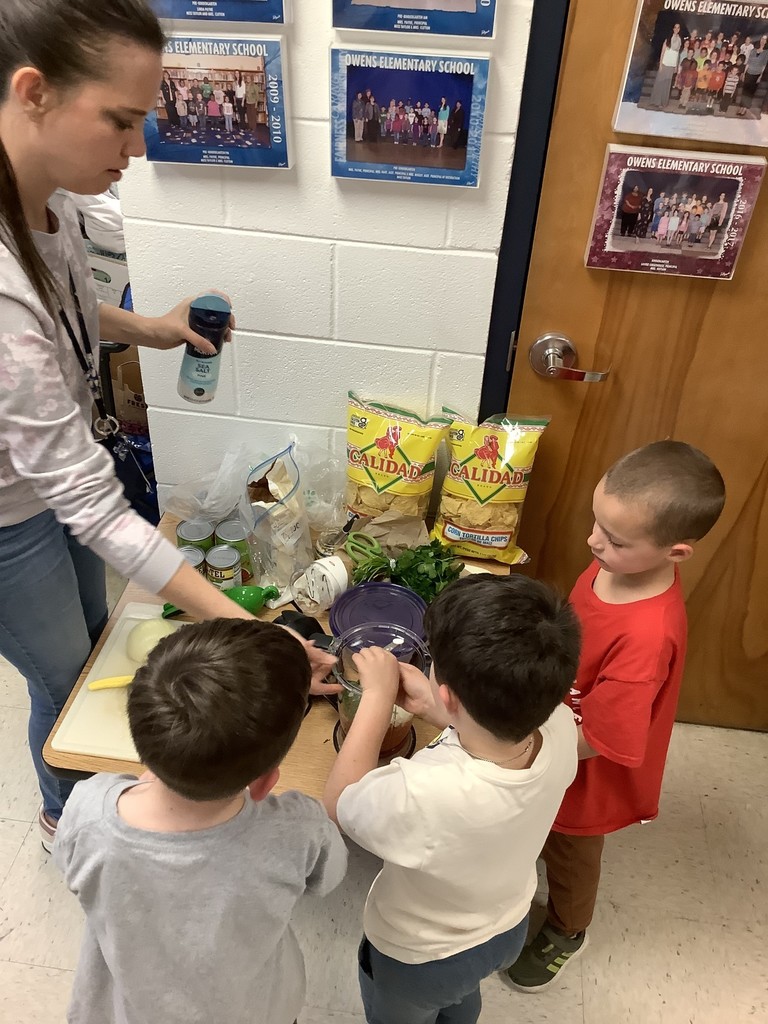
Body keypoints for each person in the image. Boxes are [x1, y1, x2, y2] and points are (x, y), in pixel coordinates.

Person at [0, 0, 337, 853]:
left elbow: (61, 313)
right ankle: (67, 816)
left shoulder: (52, 201)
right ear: (33, 92)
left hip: (50, 491)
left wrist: (151, 328)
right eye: (121, 120)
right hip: (10, 520)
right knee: (68, 674)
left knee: (99, 634)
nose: (138, 148)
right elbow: (98, 509)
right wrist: (247, 624)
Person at [506, 442, 725, 992]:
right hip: (560, 723)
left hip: (588, 770)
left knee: (571, 850)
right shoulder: (611, 566)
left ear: (676, 553)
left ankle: (567, 928)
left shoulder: (645, 639)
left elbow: (600, 738)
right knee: (533, 823)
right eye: (596, 522)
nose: (592, 541)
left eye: (614, 539)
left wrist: (524, 752)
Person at [55, 618, 348, 1024]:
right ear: (264, 784)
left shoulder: (87, 810)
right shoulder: (297, 828)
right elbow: (329, 876)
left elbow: (69, 865)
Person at [323, 575, 581, 1024]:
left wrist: (378, 697)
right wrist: (443, 711)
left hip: (419, 957)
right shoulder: (559, 724)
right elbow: (493, 735)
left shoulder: (425, 792)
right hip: (504, 926)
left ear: (447, 690)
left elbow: (340, 804)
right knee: (462, 1001)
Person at [649, 23, 682, 108]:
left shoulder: (679, 40)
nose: (676, 29)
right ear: (673, 28)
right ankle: (656, 101)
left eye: (678, 28)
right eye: (675, 27)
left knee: (667, 84)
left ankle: (663, 102)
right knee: (660, 82)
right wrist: (660, 64)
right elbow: (663, 52)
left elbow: (677, 53)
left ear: (679, 29)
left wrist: (676, 66)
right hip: (665, 63)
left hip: (672, 64)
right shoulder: (668, 39)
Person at [738, 35, 768, 116]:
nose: (763, 41)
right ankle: (741, 107)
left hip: (756, 75)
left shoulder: (766, 52)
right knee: (744, 91)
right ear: (760, 39)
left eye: (765, 40)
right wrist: (744, 73)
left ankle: (745, 108)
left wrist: (760, 76)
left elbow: (763, 65)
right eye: (762, 39)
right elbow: (748, 62)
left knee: (750, 93)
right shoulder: (753, 50)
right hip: (748, 73)